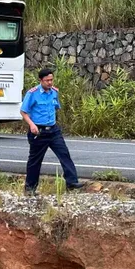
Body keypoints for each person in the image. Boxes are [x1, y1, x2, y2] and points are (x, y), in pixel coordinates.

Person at [20, 67, 80, 195]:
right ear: (41, 80)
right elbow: (23, 111)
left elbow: (56, 107)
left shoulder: (54, 92)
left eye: (51, 80)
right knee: (35, 161)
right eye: (47, 80)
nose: (50, 83)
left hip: (53, 130)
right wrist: (32, 124)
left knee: (64, 154)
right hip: (38, 132)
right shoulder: (32, 93)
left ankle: (72, 182)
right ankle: (30, 188)